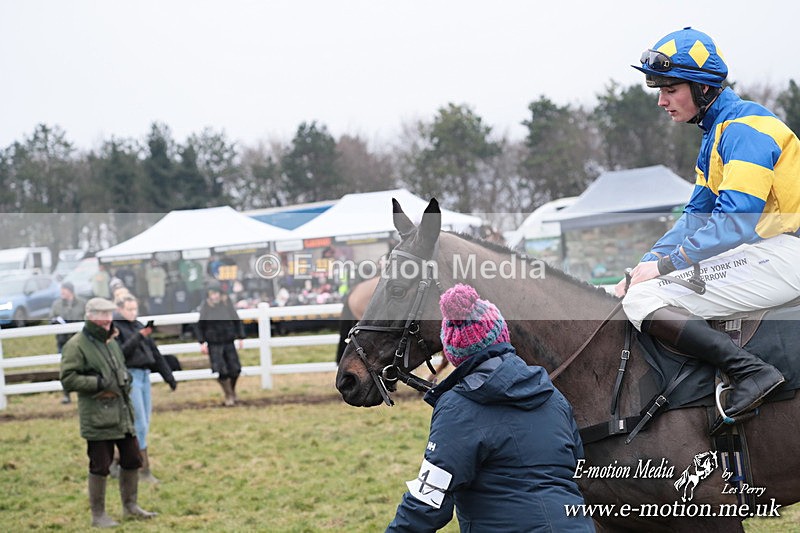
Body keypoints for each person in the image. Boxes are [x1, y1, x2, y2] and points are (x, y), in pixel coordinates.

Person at [616, 27, 800, 423]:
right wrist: (642, 268)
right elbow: (694, 220)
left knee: (643, 301)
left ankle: (752, 372)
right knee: (638, 289)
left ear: (702, 87)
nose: (662, 101)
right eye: (658, 90)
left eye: (670, 89)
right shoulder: (717, 133)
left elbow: (734, 223)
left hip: (787, 252)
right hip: (770, 250)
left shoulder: (745, 129)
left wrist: (663, 269)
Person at [387, 284, 594, 532]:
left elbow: (429, 499)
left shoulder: (458, 407)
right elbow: (577, 465)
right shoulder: (551, 395)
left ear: (453, 352)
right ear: (502, 334)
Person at [59, 297, 157, 527]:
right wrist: (98, 383)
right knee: (100, 465)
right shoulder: (76, 345)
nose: (107, 319)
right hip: (97, 414)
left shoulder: (111, 341)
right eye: (102, 314)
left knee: (133, 459)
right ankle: (98, 515)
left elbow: (121, 367)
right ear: (90, 315)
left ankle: (131, 507)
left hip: (122, 412)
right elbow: (68, 378)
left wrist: (125, 380)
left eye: (110, 314)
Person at [113, 294, 177, 484]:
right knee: (139, 423)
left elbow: (154, 353)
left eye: (135, 309)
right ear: (120, 309)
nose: (133, 313)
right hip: (130, 377)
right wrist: (138, 337)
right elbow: (120, 354)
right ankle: (142, 468)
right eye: (129, 309)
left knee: (144, 422)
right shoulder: (116, 329)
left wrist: (168, 376)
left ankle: (117, 459)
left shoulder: (139, 326)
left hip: (144, 377)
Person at [195, 282, 245, 406]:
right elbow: (200, 326)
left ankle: (232, 391)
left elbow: (236, 320)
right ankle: (228, 395)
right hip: (214, 343)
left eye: (216, 293)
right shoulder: (206, 307)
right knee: (222, 370)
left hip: (228, 341)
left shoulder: (227, 304)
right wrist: (202, 342)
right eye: (212, 294)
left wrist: (240, 337)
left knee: (235, 369)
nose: (214, 296)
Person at [50, 281, 86, 404]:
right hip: (63, 340)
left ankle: (84, 392)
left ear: (70, 291)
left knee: (82, 365)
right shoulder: (57, 305)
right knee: (65, 368)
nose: (62, 293)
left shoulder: (82, 303)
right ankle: (67, 394)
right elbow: (52, 318)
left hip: (79, 340)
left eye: (64, 290)